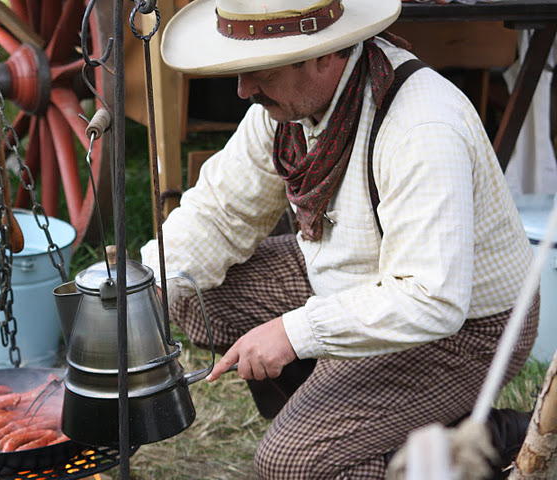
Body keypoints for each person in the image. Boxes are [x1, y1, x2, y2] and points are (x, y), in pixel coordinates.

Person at [139, 0, 539, 477]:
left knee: (289, 463)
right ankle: (356, 409)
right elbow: (221, 212)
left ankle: (485, 445)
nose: (244, 89)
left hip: (470, 330)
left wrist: (293, 333)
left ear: (323, 54)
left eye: (259, 70)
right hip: (358, 279)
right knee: (189, 291)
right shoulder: (286, 109)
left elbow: (431, 299)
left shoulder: (422, 126)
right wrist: (146, 292)